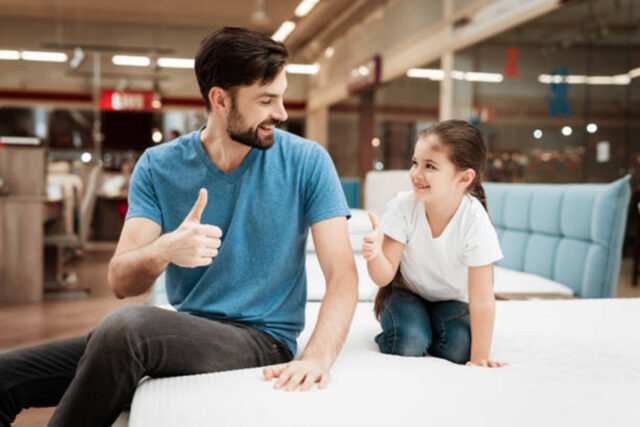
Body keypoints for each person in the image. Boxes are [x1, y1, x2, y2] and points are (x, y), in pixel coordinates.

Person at [0, 27, 358, 427]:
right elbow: (121, 282)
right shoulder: (158, 165)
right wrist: (165, 250)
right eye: (266, 100)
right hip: (184, 332)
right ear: (220, 100)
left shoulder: (308, 162)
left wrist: (317, 357)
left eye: (281, 96)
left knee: (128, 328)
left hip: (262, 340)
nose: (282, 112)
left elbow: (342, 273)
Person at [362, 120, 506, 368]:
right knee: (409, 343)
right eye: (415, 162)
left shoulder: (475, 221)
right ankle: (410, 326)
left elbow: (482, 300)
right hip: (406, 293)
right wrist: (375, 254)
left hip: (450, 300)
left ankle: (426, 325)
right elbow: (383, 277)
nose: (416, 174)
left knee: (462, 349)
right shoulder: (403, 207)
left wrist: (480, 360)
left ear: (464, 177)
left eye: (430, 166)